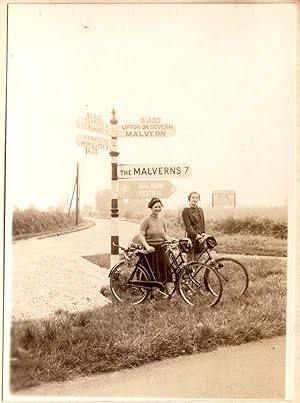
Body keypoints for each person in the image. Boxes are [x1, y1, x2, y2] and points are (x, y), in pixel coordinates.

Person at [139, 197, 173, 296]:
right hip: (151, 249)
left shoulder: (163, 220)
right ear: (151, 207)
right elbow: (141, 235)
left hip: (162, 248)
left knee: (165, 270)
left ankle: (169, 293)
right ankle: (151, 293)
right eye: (155, 207)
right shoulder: (146, 220)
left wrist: (171, 240)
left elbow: (164, 235)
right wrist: (147, 246)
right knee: (152, 272)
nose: (158, 209)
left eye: (159, 207)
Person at [182, 191, 205, 262]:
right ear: (189, 199)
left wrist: (203, 234)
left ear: (198, 199)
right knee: (190, 262)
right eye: (193, 197)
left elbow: (202, 224)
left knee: (198, 261)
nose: (195, 199)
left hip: (200, 239)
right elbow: (188, 227)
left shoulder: (200, 210)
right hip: (191, 238)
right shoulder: (186, 211)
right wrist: (196, 235)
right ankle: (188, 273)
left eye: (196, 198)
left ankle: (196, 273)